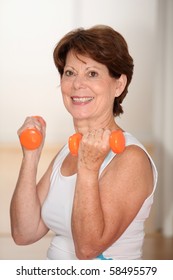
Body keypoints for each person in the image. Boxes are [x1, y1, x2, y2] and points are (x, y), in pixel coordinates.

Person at [10, 25, 158, 260]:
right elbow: (24, 233)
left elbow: (88, 249)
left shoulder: (131, 158)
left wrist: (88, 169)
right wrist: (31, 155)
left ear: (118, 85)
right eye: (70, 72)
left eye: (92, 73)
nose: (77, 84)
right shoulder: (67, 152)